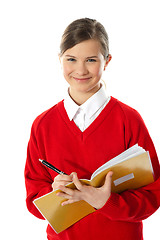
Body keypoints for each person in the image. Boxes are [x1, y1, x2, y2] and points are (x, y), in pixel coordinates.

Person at [25, 18, 160, 240]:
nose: (80, 69)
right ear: (60, 60)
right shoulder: (43, 124)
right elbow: (33, 200)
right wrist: (52, 193)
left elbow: (153, 196)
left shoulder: (128, 119)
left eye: (90, 60)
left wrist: (106, 201)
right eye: (71, 59)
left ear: (106, 61)